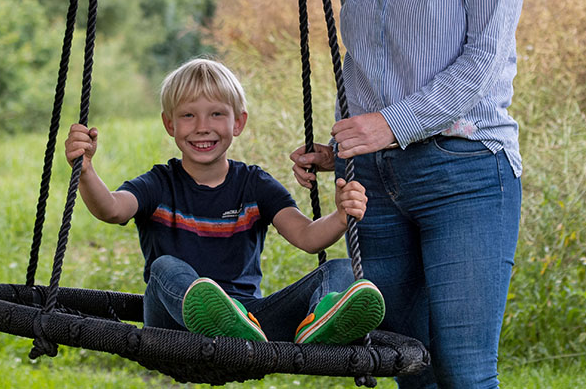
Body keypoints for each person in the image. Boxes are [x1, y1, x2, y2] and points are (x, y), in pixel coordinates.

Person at [289, 0, 524, 388]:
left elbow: (484, 63)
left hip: (465, 170)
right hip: (371, 183)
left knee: (464, 371)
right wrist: (345, 146)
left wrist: (388, 126)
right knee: (407, 367)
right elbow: (364, 60)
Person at [64, 56, 384, 345]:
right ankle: (212, 313)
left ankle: (319, 325)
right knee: (165, 267)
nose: (203, 127)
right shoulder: (159, 184)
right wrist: (86, 169)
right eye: (188, 115)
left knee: (341, 270)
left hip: (250, 324)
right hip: (172, 330)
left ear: (238, 123)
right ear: (170, 124)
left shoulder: (255, 185)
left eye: (217, 114)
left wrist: (342, 215)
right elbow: (111, 209)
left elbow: (308, 237)